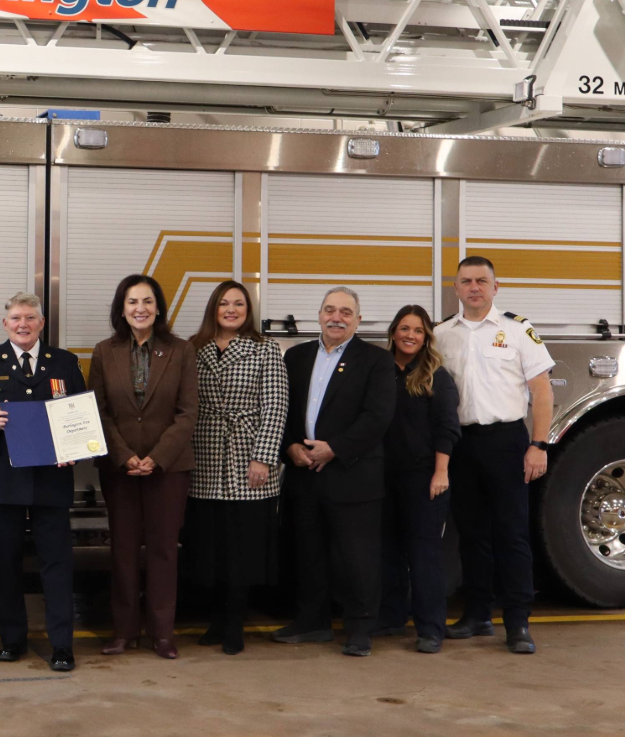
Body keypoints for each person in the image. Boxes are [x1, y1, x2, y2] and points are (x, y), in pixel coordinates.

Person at [0, 292, 86, 673]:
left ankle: (62, 645)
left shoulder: (65, 362)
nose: (23, 324)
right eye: (15, 318)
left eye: (30, 317)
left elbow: (79, 410)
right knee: (6, 563)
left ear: (42, 323)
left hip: (51, 478)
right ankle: (12, 640)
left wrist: (76, 444)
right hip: (1, 479)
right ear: (5, 324)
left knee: (57, 564)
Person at [434, 256, 554, 655]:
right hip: (461, 446)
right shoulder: (441, 335)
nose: (474, 288)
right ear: (456, 288)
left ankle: (517, 623)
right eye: (466, 281)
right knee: (471, 535)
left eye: (481, 281)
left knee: (512, 535)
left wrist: (538, 445)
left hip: (506, 442)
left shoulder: (518, 330)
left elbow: (542, 391)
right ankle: (477, 614)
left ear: (495, 287)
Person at [272, 287, 396, 657]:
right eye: (329, 310)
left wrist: (336, 448)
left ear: (358, 320)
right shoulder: (295, 356)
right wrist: (290, 445)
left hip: (352, 475)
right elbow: (281, 409)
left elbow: (378, 417)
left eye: (345, 311)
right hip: (303, 472)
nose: (336, 317)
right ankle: (312, 622)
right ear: (319, 315)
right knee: (308, 554)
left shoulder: (376, 360)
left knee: (358, 558)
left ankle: (360, 628)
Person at [90, 274, 199, 659]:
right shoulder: (104, 351)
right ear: (122, 308)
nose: (141, 309)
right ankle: (123, 632)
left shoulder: (182, 350)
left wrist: (157, 457)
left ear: (159, 308)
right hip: (119, 468)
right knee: (121, 549)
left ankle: (162, 633)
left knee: (163, 550)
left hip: (168, 469)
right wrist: (123, 456)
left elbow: (188, 413)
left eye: (148, 301)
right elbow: (98, 412)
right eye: (133, 302)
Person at [184, 280, 288, 656]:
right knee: (209, 548)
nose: (231, 309)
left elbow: (276, 407)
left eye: (239, 304)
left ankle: (235, 624)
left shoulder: (266, 349)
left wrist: (263, 456)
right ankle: (215, 619)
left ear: (248, 310)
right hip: (204, 457)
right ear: (213, 308)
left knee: (242, 550)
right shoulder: (193, 349)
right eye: (224, 303)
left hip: (248, 458)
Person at [372, 305, 460, 654]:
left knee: (424, 554)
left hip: (424, 477)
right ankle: (392, 617)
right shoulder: (379, 370)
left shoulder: (437, 376)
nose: (410, 335)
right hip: (381, 476)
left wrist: (441, 472)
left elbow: (447, 429)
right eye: (404, 328)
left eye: (418, 331)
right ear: (393, 331)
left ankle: (430, 628)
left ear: (426, 338)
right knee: (388, 552)